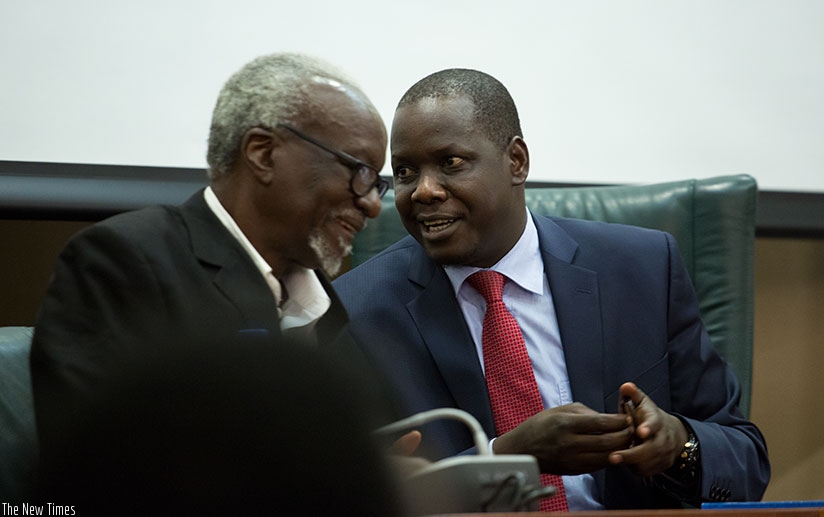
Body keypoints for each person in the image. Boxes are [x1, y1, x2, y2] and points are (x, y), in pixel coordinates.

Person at [332, 68, 770, 510]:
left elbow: (745, 458)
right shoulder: (357, 312)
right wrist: (507, 455)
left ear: (516, 162)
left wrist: (679, 444)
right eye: (406, 171)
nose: (423, 191)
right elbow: (349, 497)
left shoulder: (644, 270)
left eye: (451, 163)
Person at [30, 53, 390, 469]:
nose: (372, 205)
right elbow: (95, 469)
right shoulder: (124, 262)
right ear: (263, 153)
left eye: (376, 183)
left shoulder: (323, 305)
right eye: (359, 172)